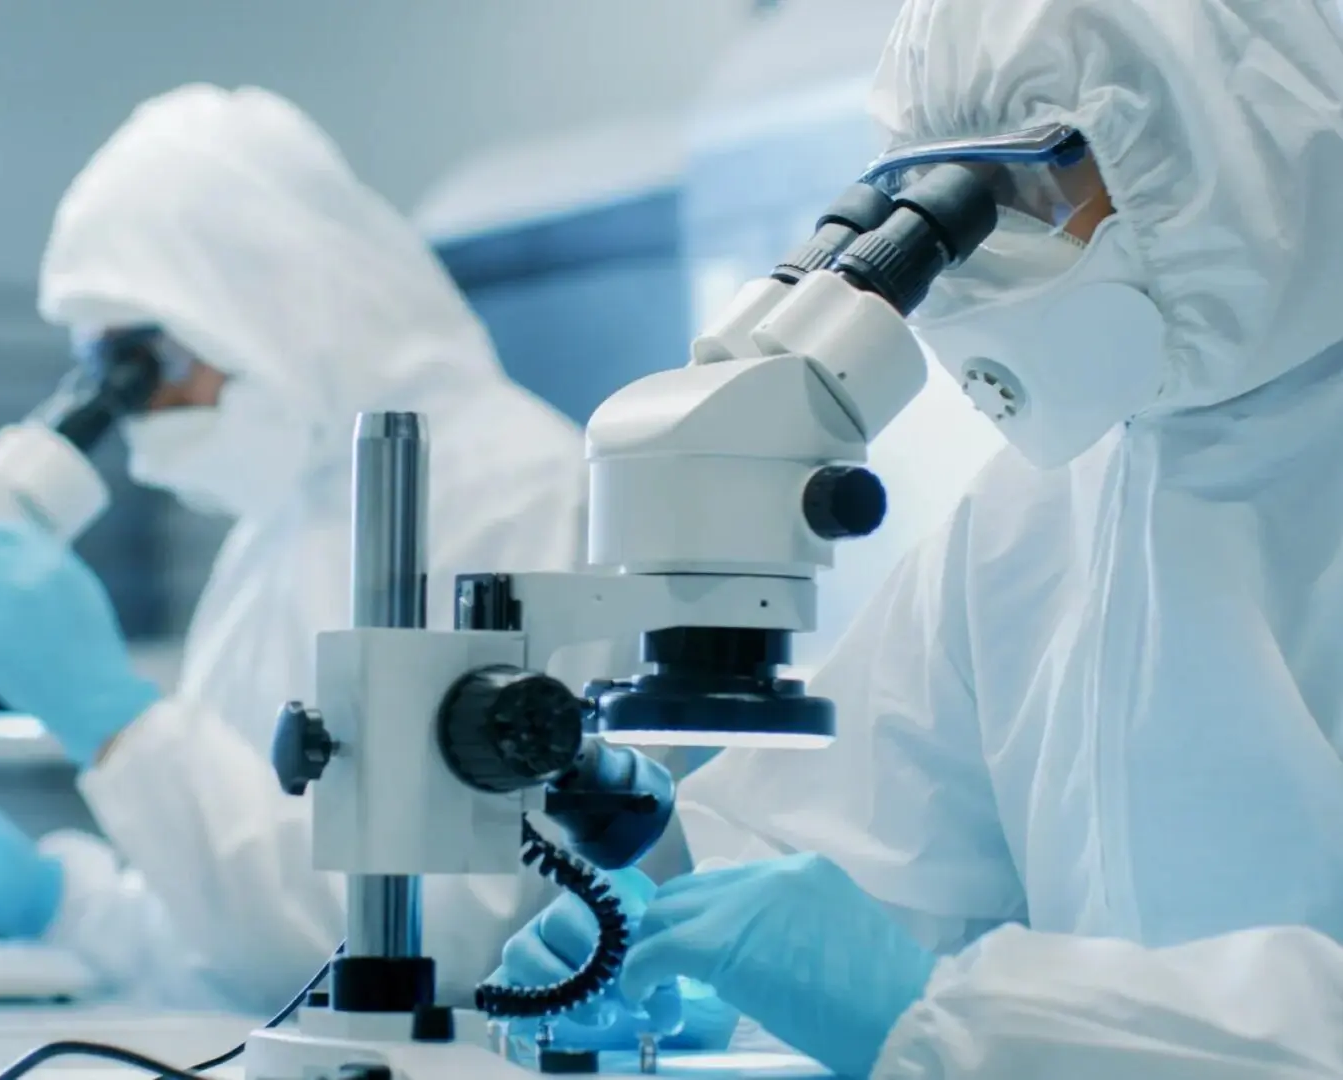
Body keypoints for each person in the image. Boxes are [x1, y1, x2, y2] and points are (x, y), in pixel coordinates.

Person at [493, 0, 1343, 1074]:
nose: (975, 264)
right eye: (939, 198)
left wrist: (945, 1015)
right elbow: (857, 852)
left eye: (1031, 184)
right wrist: (672, 932)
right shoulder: (1040, 509)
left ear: (1232, 135)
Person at [0, 84, 592, 1010]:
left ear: (270, 298)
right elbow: (228, 946)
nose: (142, 410)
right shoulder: (279, 529)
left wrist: (122, 724)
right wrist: (60, 902)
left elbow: (434, 946)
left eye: (150, 363)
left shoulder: (512, 494)